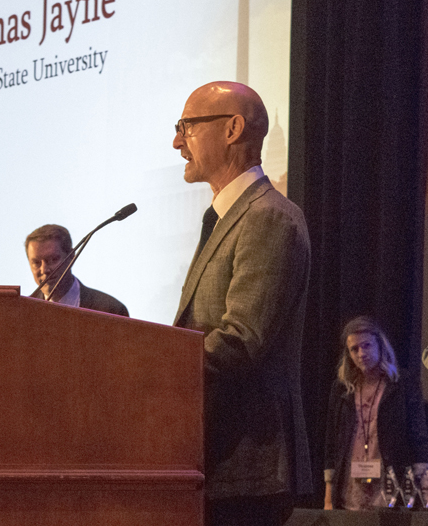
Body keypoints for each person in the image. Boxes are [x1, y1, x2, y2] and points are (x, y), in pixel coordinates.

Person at [171, 81, 311, 526]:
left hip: (248, 466)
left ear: (232, 129)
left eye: (186, 127)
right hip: (214, 460)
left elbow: (242, 340)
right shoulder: (224, 217)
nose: (177, 142)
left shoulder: (268, 216)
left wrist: (158, 364)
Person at [323, 316, 428, 510]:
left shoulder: (403, 383)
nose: (361, 353)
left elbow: (418, 434)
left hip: (391, 483)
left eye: (366, 345)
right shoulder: (341, 388)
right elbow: (332, 442)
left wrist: (426, 484)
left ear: (380, 345)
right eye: (354, 349)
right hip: (349, 485)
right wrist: (328, 498)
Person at [24, 224, 128, 316]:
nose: (44, 270)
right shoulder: (23, 310)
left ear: (71, 257)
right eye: (36, 263)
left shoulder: (110, 309)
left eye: (53, 260)